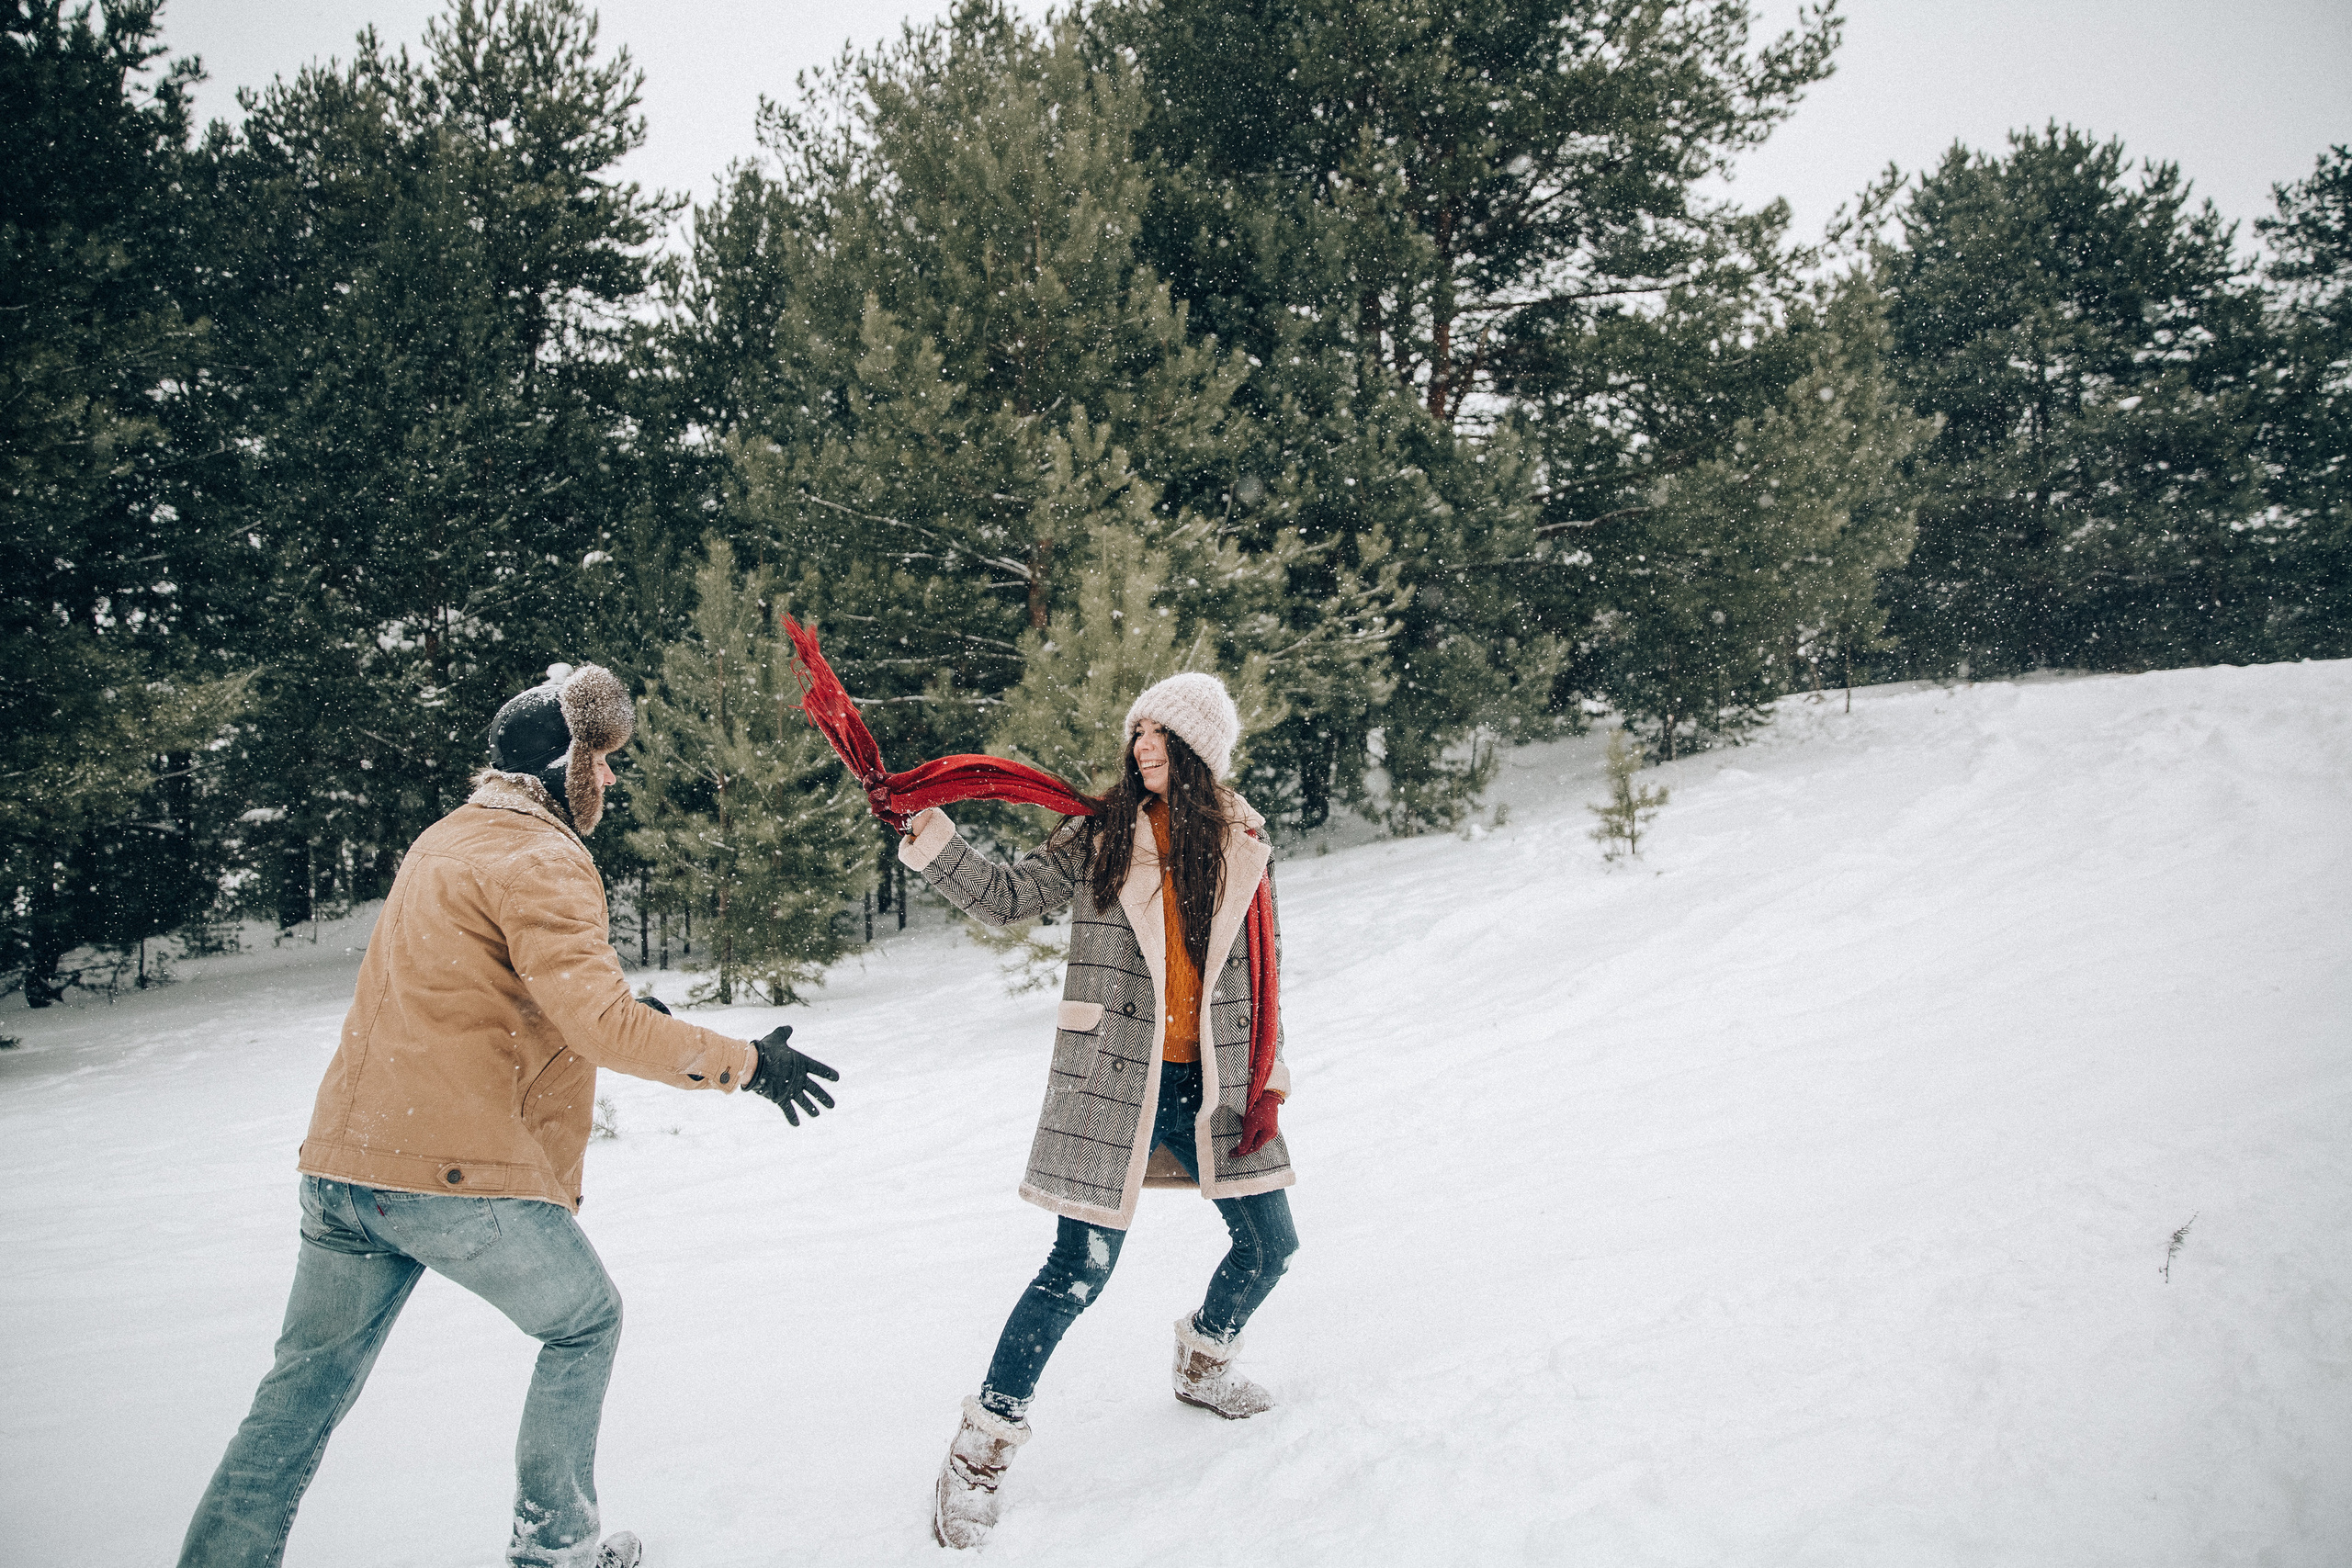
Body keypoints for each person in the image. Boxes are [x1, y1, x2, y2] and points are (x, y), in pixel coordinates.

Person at [177, 663, 842, 1568]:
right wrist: (750, 1066)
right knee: (583, 1321)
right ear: (563, 765)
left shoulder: (444, 840)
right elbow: (600, 1026)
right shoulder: (543, 856)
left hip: (346, 1165)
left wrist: (630, 1010)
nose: (609, 779)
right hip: (449, 1171)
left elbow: (495, 989)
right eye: (600, 760)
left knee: (296, 1400)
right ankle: (555, 1550)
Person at [899, 671, 1299, 1551]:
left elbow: (1260, 974)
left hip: (1218, 1088)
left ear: (1200, 752)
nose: (1143, 746)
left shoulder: (1243, 841)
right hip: (1116, 1083)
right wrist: (931, 838)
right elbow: (1004, 898)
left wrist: (1266, 1073)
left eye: (1162, 733)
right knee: (1075, 1271)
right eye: (1138, 732)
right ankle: (980, 1448)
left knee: (1271, 1244)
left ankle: (1205, 1358)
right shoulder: (1101, 835)